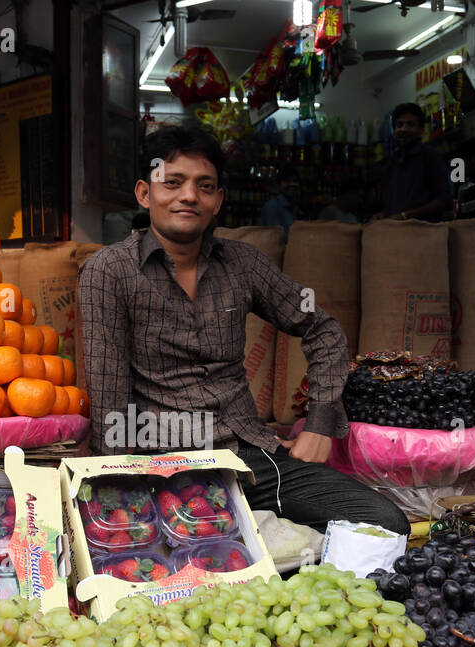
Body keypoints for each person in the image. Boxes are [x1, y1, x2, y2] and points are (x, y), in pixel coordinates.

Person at [79, 125, 410, 536]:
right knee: (191, 556)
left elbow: (322, 329)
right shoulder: (109, 271)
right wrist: (112, 493)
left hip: (248, 459)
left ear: (217, 201)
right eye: (173, 183)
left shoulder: (243, 264)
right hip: (162, 465)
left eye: (204, 186)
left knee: (386, 523)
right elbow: (108, 384)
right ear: (145, 193)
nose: (188, 196)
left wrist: (321, 423)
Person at [378, 103, 452, 222]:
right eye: (399, 125)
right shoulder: (391, 163)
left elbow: (444, 200)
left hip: (424, 234)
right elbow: (392, 206)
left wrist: (405, 216)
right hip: (395, 233)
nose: (403, 129)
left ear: (421, 130)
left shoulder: (430, 156)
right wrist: (383, 214)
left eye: (410, 124)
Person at [260, 168, 301, 238]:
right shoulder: (272, 207)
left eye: (295, 181)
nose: (292, 184)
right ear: (279, 185)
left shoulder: (295, 206)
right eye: (287, 181)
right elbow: (276, 238)